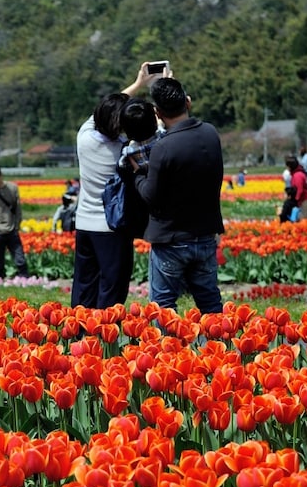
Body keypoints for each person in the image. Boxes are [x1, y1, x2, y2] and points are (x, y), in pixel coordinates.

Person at [131, 77, 224, 314]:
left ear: (157, 113)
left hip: (171, 239)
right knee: (211, 305)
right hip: (205, 234)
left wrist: (139, 174)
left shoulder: (164, 147)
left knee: (163, 307)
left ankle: (167, 351)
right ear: (188, 102)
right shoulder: (211, 134)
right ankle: (218, 350)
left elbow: (150, 196)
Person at [74, 67, 158, 309]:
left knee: (84, 283)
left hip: (84, 224)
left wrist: (136, 84)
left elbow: (104, 111)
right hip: (112, 228)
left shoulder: (85, 136)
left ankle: (78, 333)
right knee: (112, 286)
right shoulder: (124, 151)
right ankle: (103, 335)